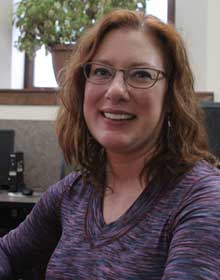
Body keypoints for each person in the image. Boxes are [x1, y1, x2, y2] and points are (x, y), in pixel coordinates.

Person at [1, 9, 220, 280]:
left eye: (141, 74)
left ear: (171, 96)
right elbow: (7, 252)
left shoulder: (203, 199)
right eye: (102, 71)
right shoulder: (73, 192)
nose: (115, 90)